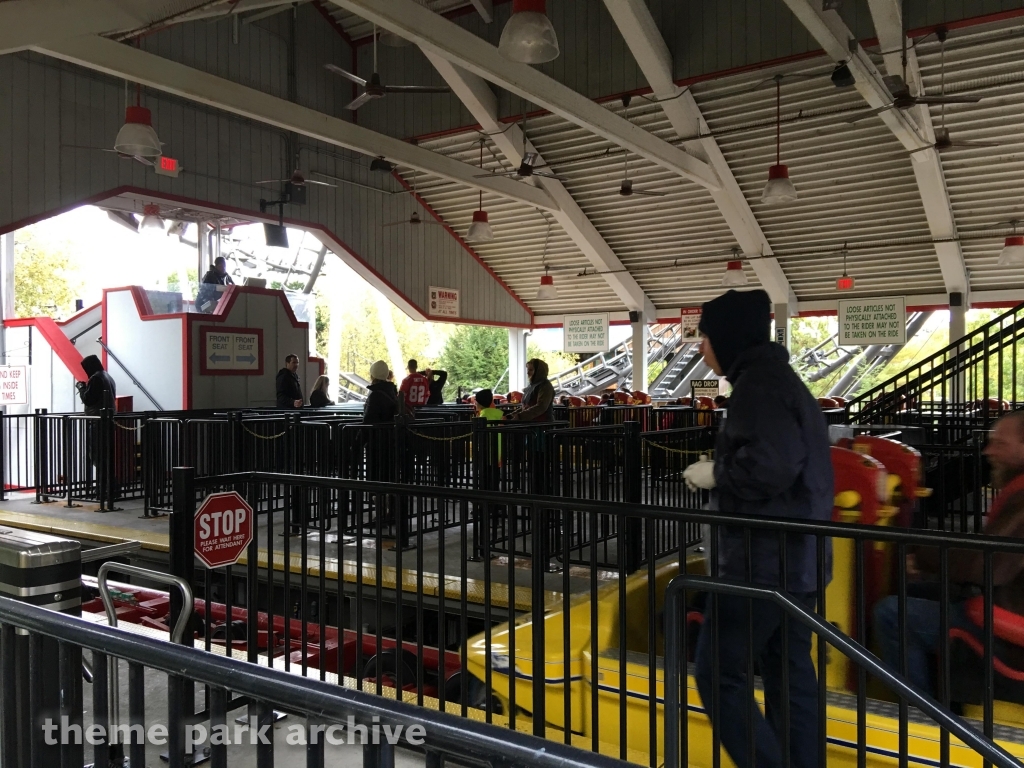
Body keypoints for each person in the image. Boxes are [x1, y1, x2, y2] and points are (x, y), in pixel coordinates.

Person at [682, 289, 833, 768]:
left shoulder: (757, 387)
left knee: (718, 674)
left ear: (727, 336)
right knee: (789, 675)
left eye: (705, 336)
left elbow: (771, 465)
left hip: (759, 564)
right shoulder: (781, 380)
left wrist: (716, 474)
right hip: (799, 562)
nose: (701, 347)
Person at [874, 410, 1024, 695]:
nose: (988, 451)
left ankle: (920, 715)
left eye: (1000, 444)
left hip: (1011, 636)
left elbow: (988, 563)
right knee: (916, 591)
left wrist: (921, 555)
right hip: (1010, 601)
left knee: (892, 613)